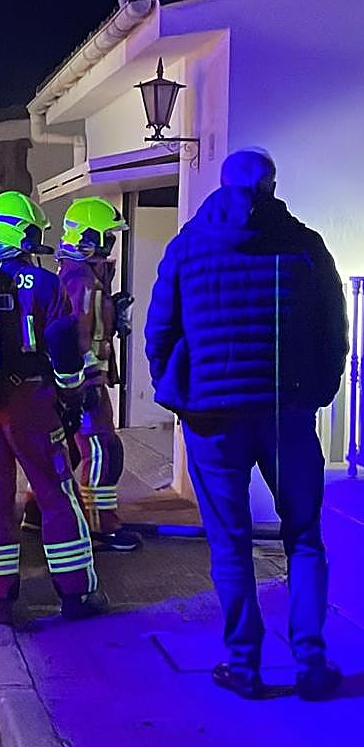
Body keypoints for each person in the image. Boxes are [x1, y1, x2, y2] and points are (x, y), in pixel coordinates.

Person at [145, 148, 348, 701]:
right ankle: (311, 663)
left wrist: (176, 393)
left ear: (222, 183)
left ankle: (245, 665)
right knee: (304, 539)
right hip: (287, 414)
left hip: (211, 418)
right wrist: (319, 391)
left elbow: (159, 330)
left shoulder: (187, 246)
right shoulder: (304, 245)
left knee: (230, 543)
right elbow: (335, 331)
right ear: (273, 185)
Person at [0, 190, 106, 624]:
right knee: (56, 493)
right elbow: (64, 344)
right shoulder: (46, 282)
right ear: (25, 232)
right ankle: (76, 594)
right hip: (32, 401)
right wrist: (73, 396)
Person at [53, 196, 142, 551]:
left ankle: (38, 512)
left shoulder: (81, 275)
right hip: (86, 383)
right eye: (107, 237)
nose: (111, 245)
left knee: (69, 453)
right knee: (101, 448)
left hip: (82, 380)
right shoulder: (81, 279)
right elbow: (77, 335)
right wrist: (86, 383)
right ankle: (100, 524)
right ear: (89, 237)